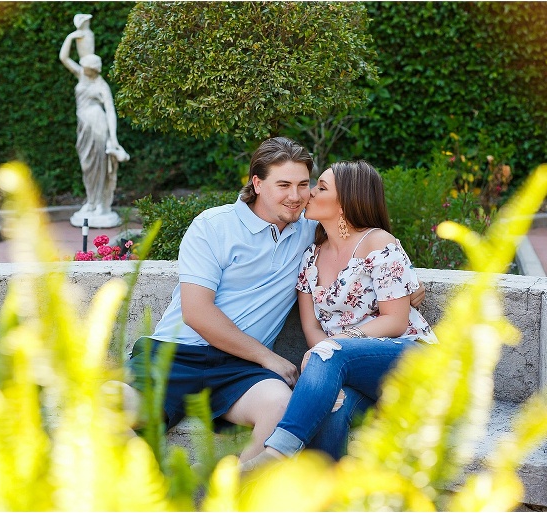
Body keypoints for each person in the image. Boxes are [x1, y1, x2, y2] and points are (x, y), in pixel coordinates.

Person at [115, 138, 425, 463]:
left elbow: (366, 242)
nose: (296, 196)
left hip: (241, 370)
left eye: (304, 185)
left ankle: (233, 492)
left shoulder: (309, 230)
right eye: (284, 185)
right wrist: (268, 357)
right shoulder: (213, 226)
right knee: (108, 403)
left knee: (279, 406)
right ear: (257, 183)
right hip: (175, 355)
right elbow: (197, 312)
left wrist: (411, 287)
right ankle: (144, 477)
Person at [240, 159, 437, 472]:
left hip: (408, 360)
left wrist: (335, 345)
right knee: (332, 410)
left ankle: (275, 455)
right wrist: (324, 354)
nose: (310, 194)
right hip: (349, 372)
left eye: (321, 188)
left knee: (331, 351)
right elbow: (312, 327)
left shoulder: (378, 243)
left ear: (345, 202)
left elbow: (395, 320)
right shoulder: (311, 256)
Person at [59, 27, 129, 227]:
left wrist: (113, 139)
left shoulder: (101, 86)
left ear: (94, 69)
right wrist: (71, 37)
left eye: (87, 67)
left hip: (99, 128)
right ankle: (91, 201)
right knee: (87, 166)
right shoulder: (81, 75)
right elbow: (64, 58)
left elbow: (111, 112)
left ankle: (100, 204)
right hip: (83, 129)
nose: (84, 68)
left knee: (99, 166)